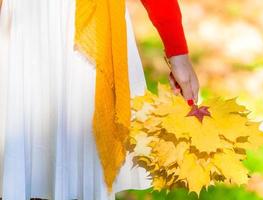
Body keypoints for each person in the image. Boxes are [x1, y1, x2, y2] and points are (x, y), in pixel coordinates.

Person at [0, 0, 199, 199]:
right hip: (26, 25)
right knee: (27, 167)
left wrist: (177, 50)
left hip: (89, 28)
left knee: (83, 168)